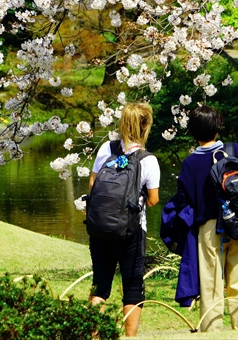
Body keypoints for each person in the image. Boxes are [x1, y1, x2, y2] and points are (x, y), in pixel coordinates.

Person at [175, 105, 238, 332]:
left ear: (193, 131)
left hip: (209, 227)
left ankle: (211, 331)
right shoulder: (234, 151)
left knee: (210, 284)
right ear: (217, 127)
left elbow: (184, 201)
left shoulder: (189, 164)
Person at [88, 101, 160, 337]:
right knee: (132, 286)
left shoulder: (105, 150)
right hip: (131, 231)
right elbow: (153, 200)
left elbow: (92, 186)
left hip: (99, 228)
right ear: (146, 126)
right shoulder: (148, 160)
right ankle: (130, 337)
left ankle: (93, 334)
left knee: (100, 284)